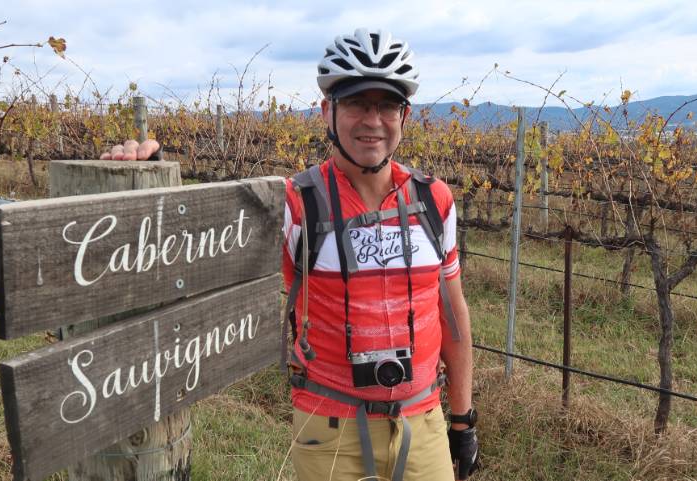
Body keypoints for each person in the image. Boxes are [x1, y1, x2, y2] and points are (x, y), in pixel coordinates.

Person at [101, 28, 479, 481]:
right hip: (330, 428)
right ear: (327, 111)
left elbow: (451, 312)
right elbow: (194, 244)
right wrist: (148, 186)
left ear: (405, 115)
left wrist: (463, 420)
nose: (373, 120)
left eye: (387, 105)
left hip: (424, 424)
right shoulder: (297, 204)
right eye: (357, 103)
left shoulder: (433, 201)